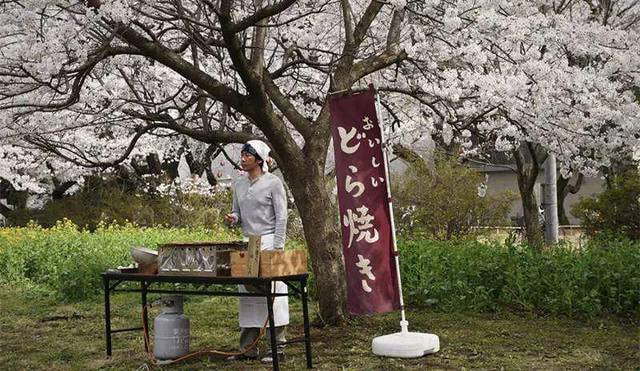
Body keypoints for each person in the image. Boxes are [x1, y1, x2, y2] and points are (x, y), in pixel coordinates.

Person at [224, 140, 289, 363]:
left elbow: (281, 216)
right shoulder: (239, 184)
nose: (242, 158)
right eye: (241, 155)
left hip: (269, 241)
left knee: (274, 297)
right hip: (247, 244)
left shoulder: (273, 183)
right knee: (248, 297)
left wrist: (278, 247)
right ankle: (248, 349)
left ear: (259, 159)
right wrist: (233, 218)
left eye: (247, 155)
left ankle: (277, 347)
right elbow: (237, 212)